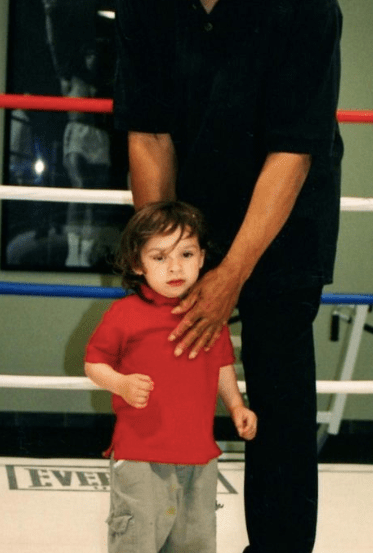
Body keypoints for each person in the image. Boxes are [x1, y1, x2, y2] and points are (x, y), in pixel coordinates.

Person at [113, 0, 343, 552]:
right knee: (165, 373)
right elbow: (149, 136)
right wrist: (162, 260)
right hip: (192, 215)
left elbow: (294, 149)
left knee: (276, 391)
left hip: (285, 214)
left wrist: (231, 275)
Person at [85, 200, 257, 553]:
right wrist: (121, 383)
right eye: (159, 257)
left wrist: (237, 405)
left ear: (202, 257)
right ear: (138, 263)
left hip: (199, 456)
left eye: (186, 254)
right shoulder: (124, 314)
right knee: (136, 542)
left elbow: (223, 364)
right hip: (140, 455)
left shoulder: (210, 313)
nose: (175, 267)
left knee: (195, 542)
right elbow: (93, 364)